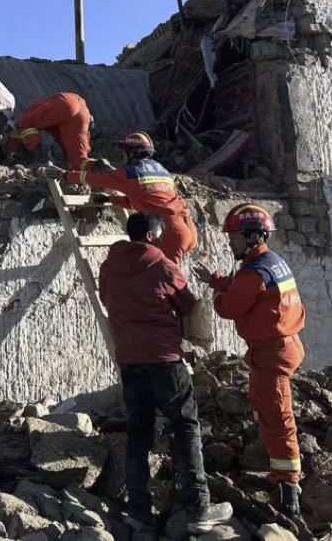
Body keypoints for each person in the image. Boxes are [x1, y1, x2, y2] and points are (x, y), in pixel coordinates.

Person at [99, 211, 233, 536]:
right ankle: (199, 508)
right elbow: (188, 307)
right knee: (186, 428)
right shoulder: (163, 266)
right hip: (165, 362)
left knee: (138, 434)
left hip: (130, 363)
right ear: (148, 236)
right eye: (159, 235)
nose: (162, 240)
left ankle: (139, 514)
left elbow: (106, 298)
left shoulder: (109, 266)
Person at [194, 204, 306, 518]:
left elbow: (230, 307)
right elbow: (246, 289)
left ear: (253, 236)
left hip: (272, 352)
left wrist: (215, 296)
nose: (231, 243)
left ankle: (288, 491)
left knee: (278, 418)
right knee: (266, 410)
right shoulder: (268, 262)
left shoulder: (255, 270)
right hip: (276, 347)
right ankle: (280, 479)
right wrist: (216, 280)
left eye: (235, 237)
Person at [63, 131, 198, 264]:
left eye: (124, 153)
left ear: (132, 153)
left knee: (165, 281)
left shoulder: (131, 173)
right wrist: (113, 199)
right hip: (188, 228)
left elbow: (95, 178)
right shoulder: (161, 170)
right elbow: (147, 201)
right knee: (161, 278)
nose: (123, 158)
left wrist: (65, 175)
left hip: (171, 232)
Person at [6, 92, 94, 169]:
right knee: (78, 159)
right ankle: (102, 170)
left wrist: (10, 154)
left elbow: (20, 126)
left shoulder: (31, 113)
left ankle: (41, 158)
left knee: (24, 123)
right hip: (83, 111)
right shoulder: (49, 119)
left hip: (66, 102)